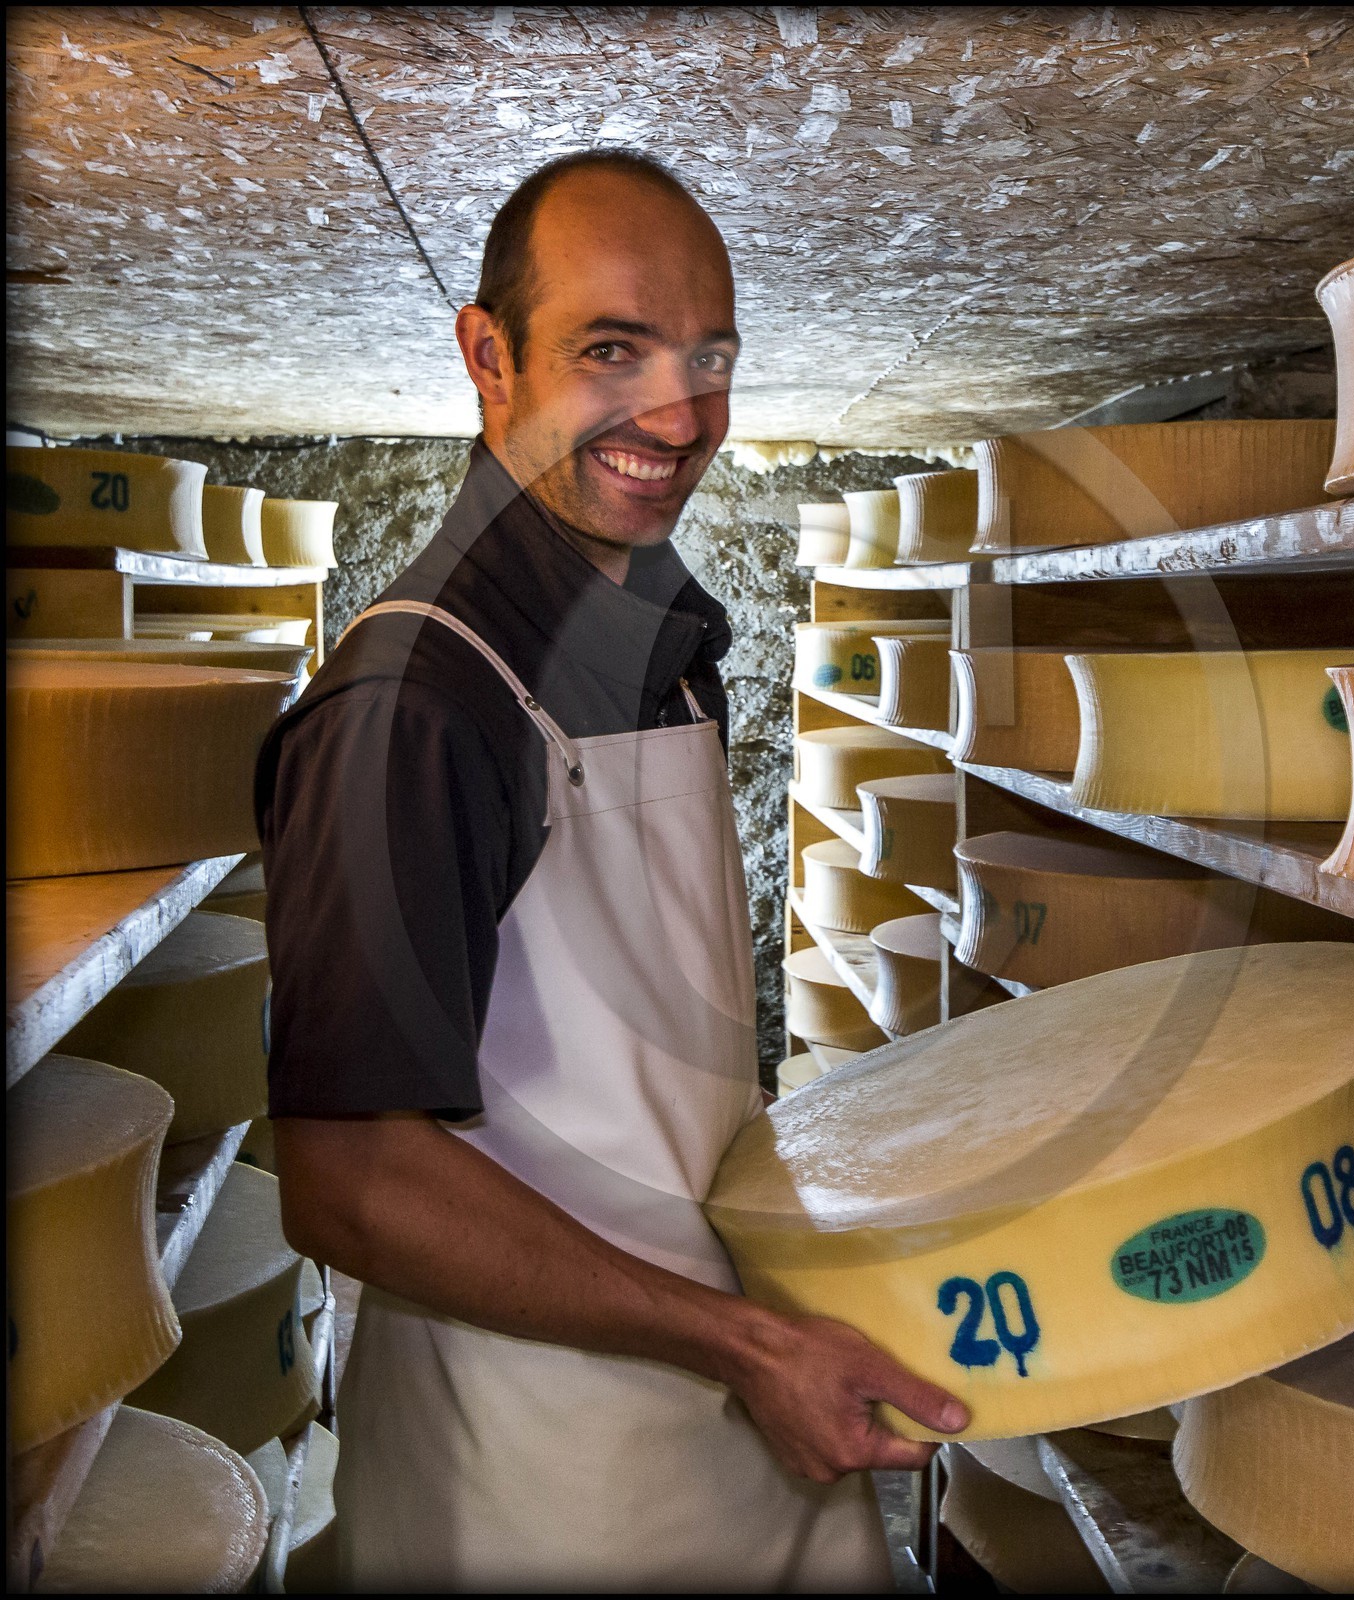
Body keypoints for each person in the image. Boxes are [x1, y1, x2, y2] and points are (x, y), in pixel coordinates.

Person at [259, 148, 968, 1590]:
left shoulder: (666, 645)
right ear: (487, 358)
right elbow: (348, 1180)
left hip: (742, 1422)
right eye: (611, 349)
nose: (679, 413)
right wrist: (748, 1342)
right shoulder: (420, 703)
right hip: (541, 1486)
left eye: (709, 356)